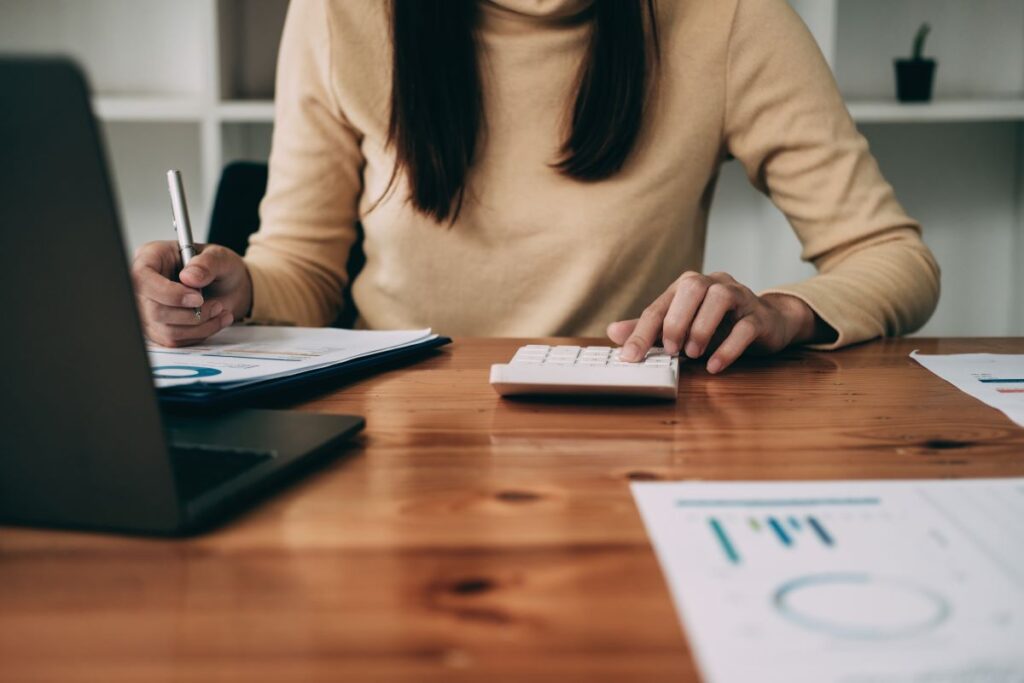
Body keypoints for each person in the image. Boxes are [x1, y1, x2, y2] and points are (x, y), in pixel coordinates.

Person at [132, 0, 939, 373]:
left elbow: (890, 255)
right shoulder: (343, 14)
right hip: (392, 427)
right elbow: (304, 270)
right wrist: (233, 288)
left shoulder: (728, 19)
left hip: (622, 426)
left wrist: (787, 313)